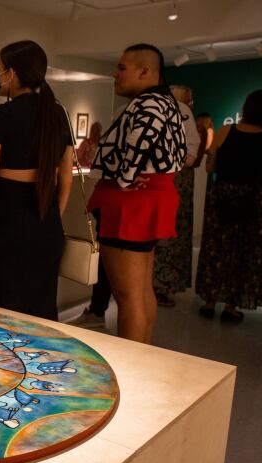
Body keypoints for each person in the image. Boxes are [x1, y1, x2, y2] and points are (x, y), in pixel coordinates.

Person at [0, 40, 73, 320]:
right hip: (47, 225)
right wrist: (51, 218)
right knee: (43, 312)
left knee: (8, 312)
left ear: (13, 72)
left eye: (0, 68)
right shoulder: (57, 113)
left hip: (11, 227)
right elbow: (66, 177)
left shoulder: (2, 115)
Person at [88, 44, 186, 343]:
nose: (115, 74)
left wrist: (124, 179)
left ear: (145, 71)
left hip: (129, 206)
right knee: (141, 292)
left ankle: (134, 367)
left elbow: (140, 143)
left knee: (128, 295)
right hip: (146, 201)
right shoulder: (167, 103)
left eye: (121, 67)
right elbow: (180, 153)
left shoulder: (148, 104)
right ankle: (143, 356)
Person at [195, 90, 262, 322]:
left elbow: (210, 167)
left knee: (217, 248)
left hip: (224, 196)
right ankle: (232, 306)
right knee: (248, 252)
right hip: (259, 201)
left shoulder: (226, 131)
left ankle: (209, 301)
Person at [152, 86, 201, 307]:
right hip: (175, 181)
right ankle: (162, 286)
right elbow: (191, 154)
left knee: (160, 232)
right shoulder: (181, 111)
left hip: (158, 180)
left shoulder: (154, 108)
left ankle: (154, 284)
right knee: (171, 233)